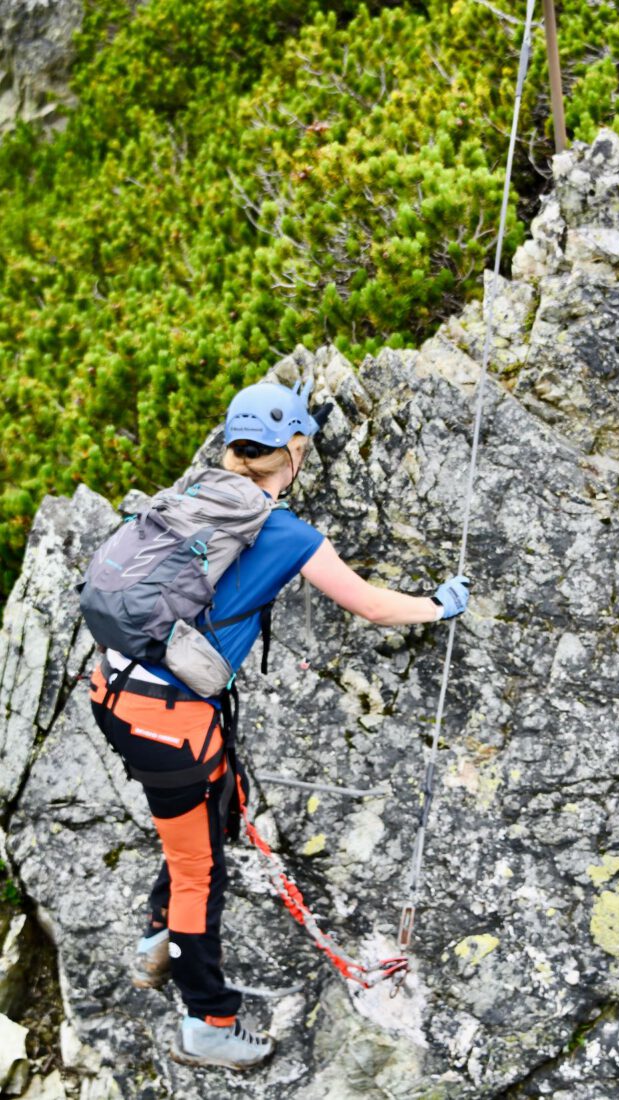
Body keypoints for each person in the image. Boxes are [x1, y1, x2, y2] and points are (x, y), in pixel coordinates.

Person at [88, 379, 470, 1072]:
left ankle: (157, 936)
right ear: (292, 450)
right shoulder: (285, 531)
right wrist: (438, 607)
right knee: (198, 869)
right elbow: (373, 606)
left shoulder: (190, 494)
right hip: (169, 723)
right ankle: (206, 1019)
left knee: (213, 817)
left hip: (113, 691)